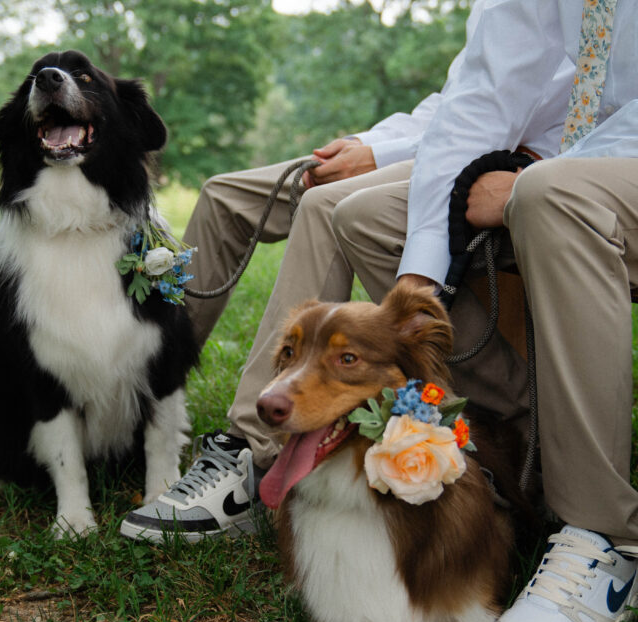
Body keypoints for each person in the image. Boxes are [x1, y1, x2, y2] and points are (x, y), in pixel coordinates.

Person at [121, 0, 573, 541]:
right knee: (224, 194)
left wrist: (383, 156)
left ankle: (250, 452)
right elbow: (461, 101)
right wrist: (371, 143)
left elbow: (522, 117)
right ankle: (144, 400)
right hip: (444, 145)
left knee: (326, 207)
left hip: (518, 162)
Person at [328, 1, 638, 622]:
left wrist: (536, 178)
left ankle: (602, 532)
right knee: (367, 218)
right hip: (571, 166)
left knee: (552, 195)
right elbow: (483, 93)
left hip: (598, 165)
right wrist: (413, 286)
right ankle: (521, 440)